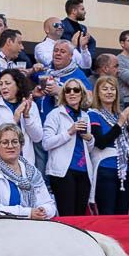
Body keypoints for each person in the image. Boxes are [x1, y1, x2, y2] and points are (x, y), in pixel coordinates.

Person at [0, 123, 56, 219]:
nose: (10, 146)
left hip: (31, 228)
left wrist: (43, 210)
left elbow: (49, 204)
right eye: (4, 142)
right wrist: (27, 213)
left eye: (15, 142)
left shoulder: (32, 172)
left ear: (21, 145)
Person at [86, 75, 129, 215]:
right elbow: (101, 142)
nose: (109, 92)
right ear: (98, 92)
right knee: (107, 213)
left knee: (122, 215)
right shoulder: (93, 114)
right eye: (105, 89)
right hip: (105, 168)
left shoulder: (118, 115)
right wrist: (120, 123)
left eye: (112, 89)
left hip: (125, 170)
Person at [41, 79, 93, 216]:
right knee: (67, 214)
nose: (72, 93)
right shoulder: (55, 114)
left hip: (83, 170)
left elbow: (90, 148)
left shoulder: (85, 116)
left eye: (76, 90)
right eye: (67, 90)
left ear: (82, 94)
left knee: (80, 215)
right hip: (62, 171)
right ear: (63, 94)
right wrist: (69, 132)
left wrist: (89, 138)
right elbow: (46, 143)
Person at [0, 68, 43, 166]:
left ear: (18, 85)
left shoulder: (31, 105)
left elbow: (37, 137)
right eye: (1, 84)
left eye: (7, 83)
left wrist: (27, 117)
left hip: (25, 164)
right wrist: (14, 119)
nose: (3, 87)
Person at [36, 40, 91, 118]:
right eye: (56, 50)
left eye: (63, 52)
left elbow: (89, 99)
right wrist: (32, 71)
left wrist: (60, 91)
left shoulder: (78, 75)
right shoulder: (45, 71)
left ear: (71, 56)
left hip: (64, 122)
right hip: (40, 119)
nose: (58, 53)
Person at [60, 0, 96, 65]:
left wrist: (88, 56)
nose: (85, 12)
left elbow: (92, 42)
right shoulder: (61, 26)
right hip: (68, 64)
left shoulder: (83, 28)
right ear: (74, 11)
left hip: (83, 67)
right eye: (82, 9)